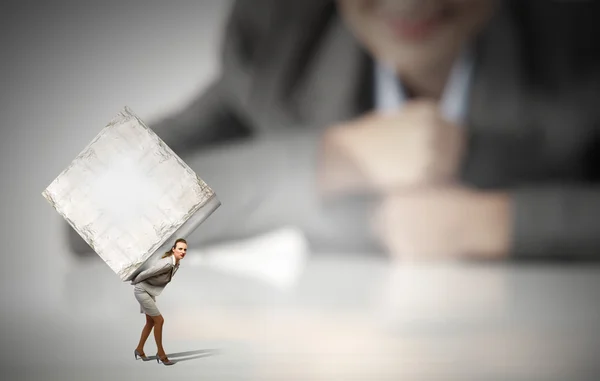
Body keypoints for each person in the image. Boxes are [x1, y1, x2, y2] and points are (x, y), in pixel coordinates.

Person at [67, 0, 600, 260]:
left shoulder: (579, 34)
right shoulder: (283, 46)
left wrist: (500, 224)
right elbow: (89, 215)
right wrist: (334, 157)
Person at [131, 238, 187, 366]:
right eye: (180, 249)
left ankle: (139, 349)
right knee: (159, 320)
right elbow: (148, 273)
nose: (183, 251)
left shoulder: (175, 264)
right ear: (173, 249)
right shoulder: (167, 263)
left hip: (148, 291)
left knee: (150, 322)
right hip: (142, 291)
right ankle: (161, 354)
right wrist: (135, 281)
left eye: (185, 249)